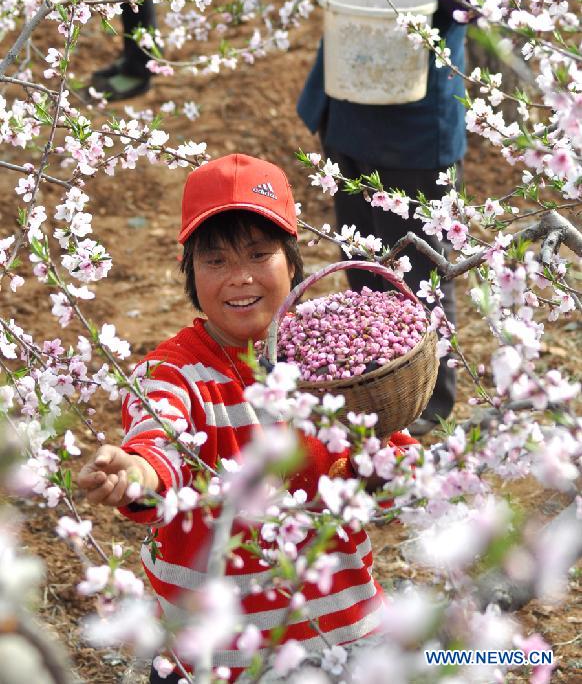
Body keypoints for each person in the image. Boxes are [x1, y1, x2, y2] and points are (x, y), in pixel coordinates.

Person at [78, 153, 417, 683]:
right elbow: (158, 447)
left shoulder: (332, 357)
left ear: (292, 261)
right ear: (188, 270)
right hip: (219, 660)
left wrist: (380, 469)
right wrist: (137, 475)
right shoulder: (172, 372)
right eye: (215, 261)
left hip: (346, 640)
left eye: (259, 254)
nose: (240, 278)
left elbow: (388, 473)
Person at [208, 0, 485, 434]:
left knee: (417, 269)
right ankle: (379, 395)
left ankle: (427, 407)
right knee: (365, 264)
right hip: (353, 114)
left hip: (416, 136)